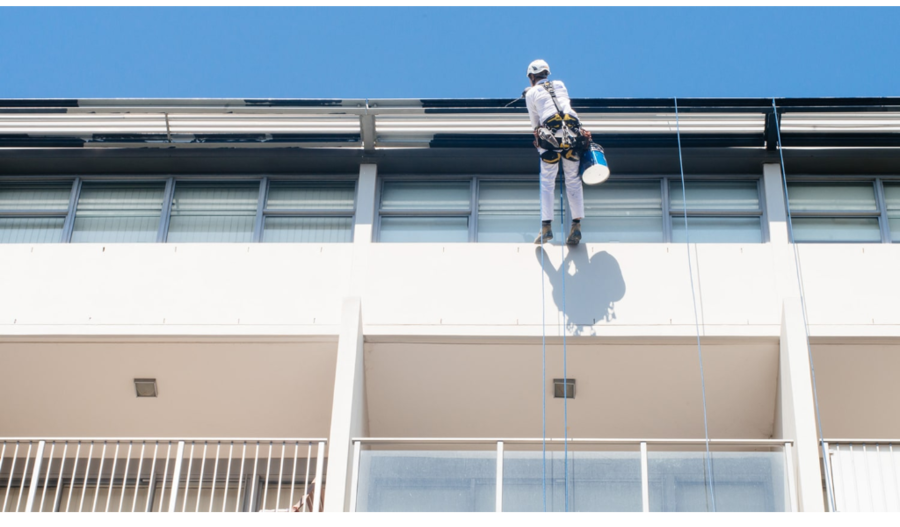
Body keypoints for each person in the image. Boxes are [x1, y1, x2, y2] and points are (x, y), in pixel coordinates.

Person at [525, 60, 592, 245]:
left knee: (547, 180)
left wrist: (529, 95)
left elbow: (535, 124)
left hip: (551, 138)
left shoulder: (530, 93)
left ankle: (546, 227)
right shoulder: (560, 84)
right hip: (572, 134)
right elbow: (557, 101)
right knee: (573, 179)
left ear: (532, 76)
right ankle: (576, 226)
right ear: (547, 73)